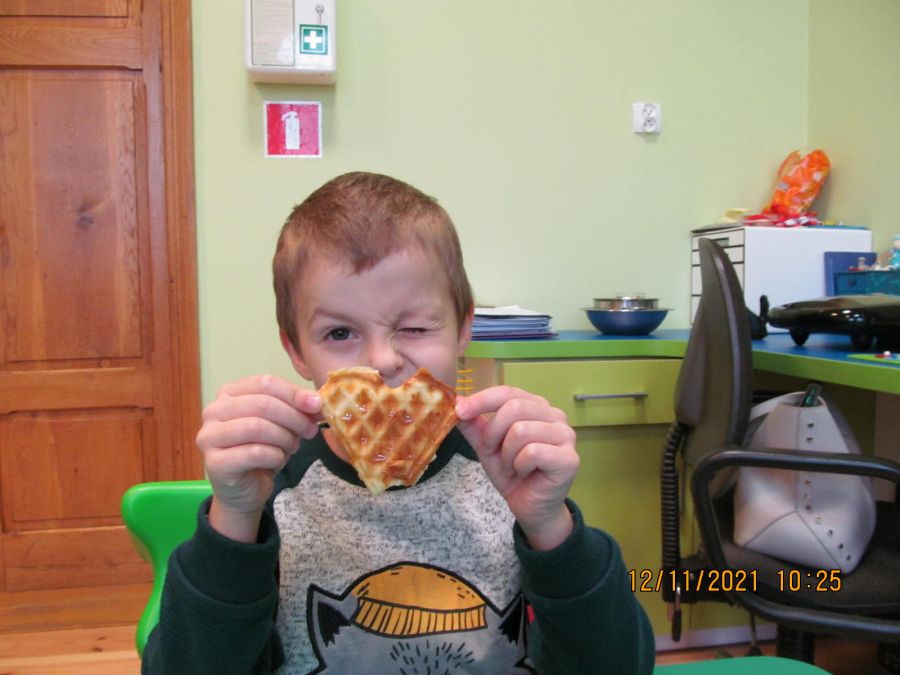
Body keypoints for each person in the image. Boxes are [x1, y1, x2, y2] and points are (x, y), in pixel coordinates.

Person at [142, 172, 655, 674]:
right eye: (339, 333)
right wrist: (234, 520)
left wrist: (550, 526)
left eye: (413, 327)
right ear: (296, 350)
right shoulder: (271, 498)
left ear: (463, 331)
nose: (382, 361)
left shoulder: (509, 478)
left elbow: (619, 664)